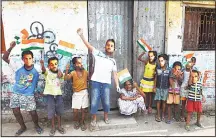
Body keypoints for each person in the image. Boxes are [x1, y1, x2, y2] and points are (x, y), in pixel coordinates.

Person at [77, 28, 120, 129]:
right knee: (94, 101)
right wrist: (81, 35)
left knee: (106, 101)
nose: (109, 47)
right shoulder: (98, 54)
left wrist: (117, 85)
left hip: (106, 84)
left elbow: (115, 74)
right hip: (96, 82)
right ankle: (94, 119)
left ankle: (106, 117)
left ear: (114, 49)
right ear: (105, 47)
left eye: (112, 46)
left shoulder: (113, 61)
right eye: (108, 45)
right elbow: (88, 46)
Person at [3, 41, 43, 136]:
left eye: (30, 58)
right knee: (15, 111)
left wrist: (43, 66)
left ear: (33, 59)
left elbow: (45, 72)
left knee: (32, 112)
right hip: (16, 93)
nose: (28, 60)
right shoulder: (17, 66)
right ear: (22, 59)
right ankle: (22, 127)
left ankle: (36, 126)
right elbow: (4, 58)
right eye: (25, 59)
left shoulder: (37, 68)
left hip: (29, 94)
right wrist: (10, 47)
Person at [40, 57, 66, 136]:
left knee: (59, 112)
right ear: (48, 66)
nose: (54, 66)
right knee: (51, 112)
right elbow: (44, 70)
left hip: (58, 95)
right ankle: (53, 127)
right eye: (51, 64)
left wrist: (60, 71)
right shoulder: (47, 72)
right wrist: (42, 65)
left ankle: (59, 126)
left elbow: (62, 76)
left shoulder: (59, 73)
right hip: (50, 96)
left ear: (58, 64)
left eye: (55, 64)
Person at [64, 57, 89, 131]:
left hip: (84, 92)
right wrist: (67, 70)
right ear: (75, 64)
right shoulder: (73, 73)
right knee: (75, 110)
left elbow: (90, 77)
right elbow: (66, 78)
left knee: (84, 109)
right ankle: (76, 121)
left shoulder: (85, 72)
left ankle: (82, 122)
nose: (81, 64)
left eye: (81, 62)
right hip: (76, 93)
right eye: (78, 63)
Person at [154, 54, 171, 122]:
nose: (160, 62)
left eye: (162, 61)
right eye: (159, 61)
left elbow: (170, 79)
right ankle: (158, 114)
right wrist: (154, 87)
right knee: (158, 101)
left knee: (164, 102)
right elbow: (155, 78)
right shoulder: (157, 68)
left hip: (166, 88)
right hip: (158, 88)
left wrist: (171, 88)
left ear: (166, 61)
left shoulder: (169, 70)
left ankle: (163, 114)